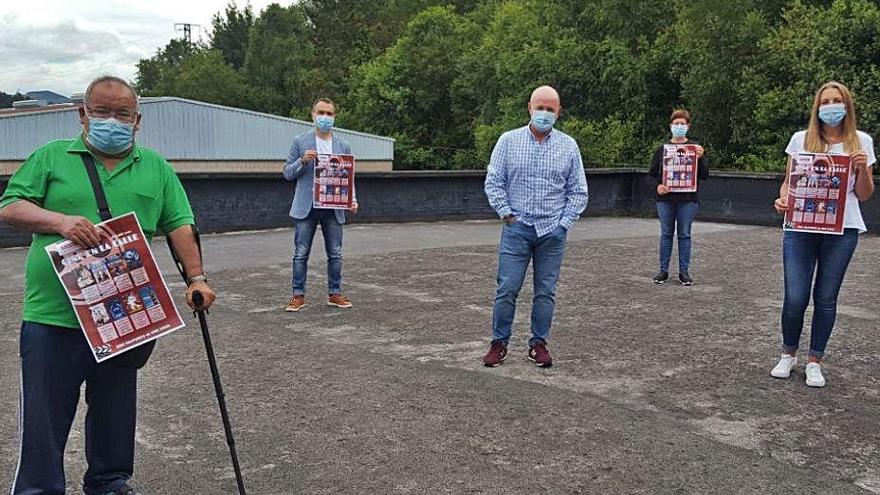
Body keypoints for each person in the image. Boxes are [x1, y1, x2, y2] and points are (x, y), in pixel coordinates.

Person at [0, 76, 216, 495]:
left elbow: (180, 225)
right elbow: (10, 206)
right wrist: (61, 222)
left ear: (137, 120)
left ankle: (109, 482)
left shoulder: (155, 166)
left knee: (115, 409)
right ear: (83, 115)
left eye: (122, 113)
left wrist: (197, 279)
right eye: (101, 112)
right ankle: (38, 489)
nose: (111, 121)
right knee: (45, 415)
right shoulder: (51, 157)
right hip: (53, 315)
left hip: (125, 315)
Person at [771, 81, 874, 388]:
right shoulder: (801, 140)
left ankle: (815, 360)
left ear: (847, 106)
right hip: (801, 227)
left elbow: (865, 194)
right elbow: (789, 182)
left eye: (837, 100)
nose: (831, 106)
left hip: (843, 230)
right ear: (817, 107)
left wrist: (863, 170)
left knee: (826, 298)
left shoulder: (861, 142)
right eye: (825, 101)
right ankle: (788, 353)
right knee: (795, 296)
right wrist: (783, 200)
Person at [482, 85, 589, 368]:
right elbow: (493, 181)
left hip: (552, 232)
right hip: (517, 228)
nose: (544, 113)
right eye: (540, 107)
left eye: (550, 109)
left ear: (558, 112)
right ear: (529, 108)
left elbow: (578, 190)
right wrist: (506, 214)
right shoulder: (508, 141)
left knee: (545, 292)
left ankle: (538, 344)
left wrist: (563, 225)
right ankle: (498, 343)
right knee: (507, 287)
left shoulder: (569, 146)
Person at [283, 98, 357, 312]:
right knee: (301, 253)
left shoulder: (343, 144)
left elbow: (348, 176)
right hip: (307, 206)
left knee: (335, 253)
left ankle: (335, 293)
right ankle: (298, 296)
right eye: (321, 112)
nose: (325, 117)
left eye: (329, 113)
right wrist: (303, 161)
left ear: (334, 117)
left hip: (333, 206)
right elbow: (287, 172)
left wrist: (352, 199)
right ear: (312, 114)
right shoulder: (300, 141)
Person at [647, 109, 709, 286]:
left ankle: (684, 272)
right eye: (676, 123)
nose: (679, 127)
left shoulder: (695, 148)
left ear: (688, 126)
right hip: (666, 199)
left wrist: (701, 158)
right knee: (666, 233)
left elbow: (704, 175)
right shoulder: (662, 149)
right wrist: (658, 187)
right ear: (670, 126)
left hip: (688, 198)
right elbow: (651, 175)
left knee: (684, 234)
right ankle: (663, 270)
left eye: (682, 124)